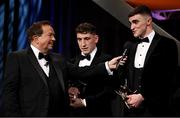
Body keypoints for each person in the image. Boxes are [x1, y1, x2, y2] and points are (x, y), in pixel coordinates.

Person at [2, 20, 122, 117]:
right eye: (50, 35)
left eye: (54, 35)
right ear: (35, 38)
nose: (54, 39)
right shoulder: (17, 58)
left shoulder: (58, 59)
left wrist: (106, 66)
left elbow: (81, 72)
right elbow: (9, 94)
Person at [118, 5, 178, 116]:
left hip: (156, 109)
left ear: (149, 21)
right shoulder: (129, 46)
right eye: (130, 23)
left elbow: (169, 78)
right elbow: (124, 75)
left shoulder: (167, 44)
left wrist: (143, 96)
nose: (132, 27)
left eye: (135, 22)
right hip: (132, 110)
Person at [68, 22, 119, 116]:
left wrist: (85, 102)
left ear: (96, 39)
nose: (83, 44)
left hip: (99, 113)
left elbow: (110, 91)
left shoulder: (107, 60)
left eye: (87, 39)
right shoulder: (71, 62)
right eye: (79, 39)